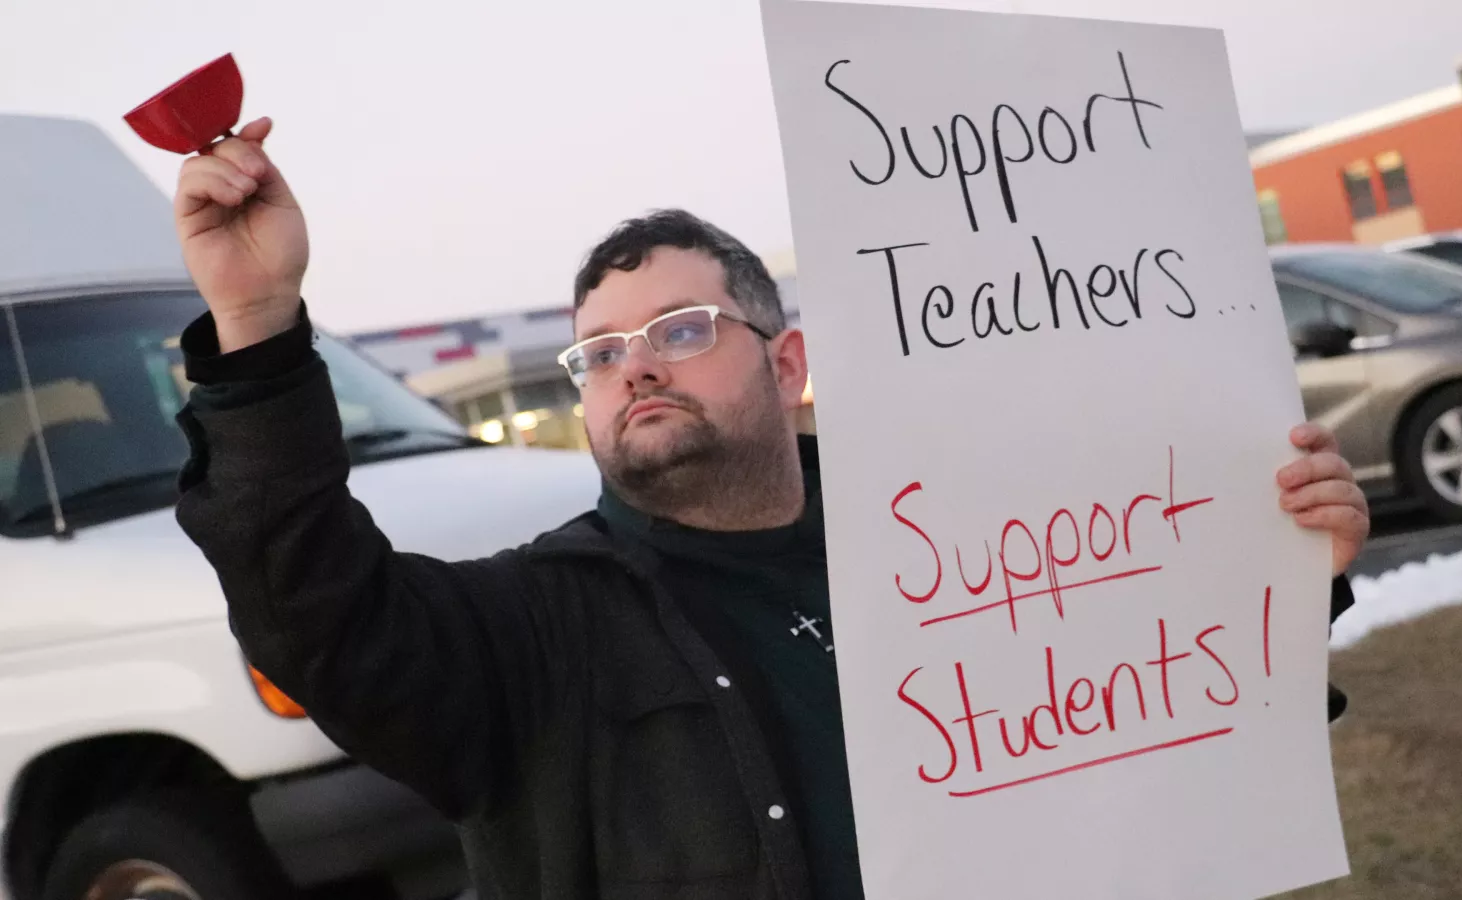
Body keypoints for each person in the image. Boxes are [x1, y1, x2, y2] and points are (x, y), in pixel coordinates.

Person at [170, 117, 1369, 900]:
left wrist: (1283, 559)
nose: (634, 367)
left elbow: (1155, 720)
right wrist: (258, 325)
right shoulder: (529, 632)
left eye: (681, 332)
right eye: (597, 355)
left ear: (786, 364)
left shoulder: (959, 554)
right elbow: (308, 610)